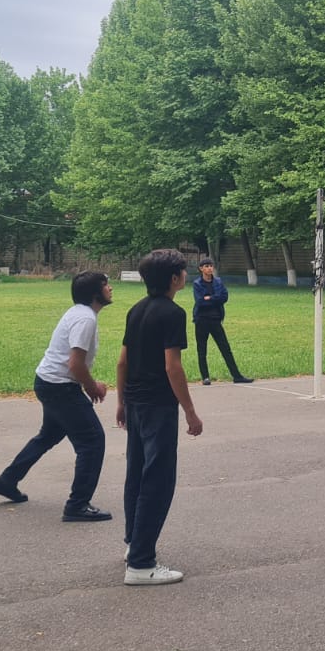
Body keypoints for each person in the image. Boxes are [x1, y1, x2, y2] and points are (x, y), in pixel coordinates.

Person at [0, 271, 116, 522]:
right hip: (60, 387)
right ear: (94, 293)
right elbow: (75, 364)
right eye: (105, 285)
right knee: (92, 441)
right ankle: (77, 505)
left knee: (48, 435)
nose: (110, 288)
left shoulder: (79, 313)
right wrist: (92, 387)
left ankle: (7, 480)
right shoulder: (85, 318)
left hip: (49, 382)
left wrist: (88, 383)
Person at [116, 249, 203, 585]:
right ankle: (141, 564)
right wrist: (190, 411)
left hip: (136, 404)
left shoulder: (136, 310)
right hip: (158, 407)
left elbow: (122, 362)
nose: (186, 275)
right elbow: (172, 367)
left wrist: (121, 402)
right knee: (158, 481)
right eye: (183, 271)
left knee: (136, 476)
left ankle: (133, 544)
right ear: (174, 279)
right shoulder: (173, 313)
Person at [191, 255, 252, 386]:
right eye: (206, 266)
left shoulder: (218, 282)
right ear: (201, 269)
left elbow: (224, 297)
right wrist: (214, 298)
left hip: (216, 320)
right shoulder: (197, 284)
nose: (209, 268)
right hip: (201, 320)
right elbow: (200, 302)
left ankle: (237, 376)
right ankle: (205, 377)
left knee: (225, 348)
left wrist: (210, 298)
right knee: (202, 349)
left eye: (211, 266)